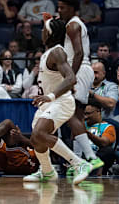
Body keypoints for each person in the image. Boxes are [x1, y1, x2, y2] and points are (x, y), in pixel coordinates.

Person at [22, 17, 92, 184]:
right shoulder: (50, 52)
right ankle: (47, 171)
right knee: (36, 139)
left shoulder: (57, 52)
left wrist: (50, 95)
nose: (41, 32)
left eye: (44, 30)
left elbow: (71, 78)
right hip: (48, 102)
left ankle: (79, 164)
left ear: (50, 33)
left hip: (60, 101)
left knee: (40, 133)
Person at [53, 0, 102, 172]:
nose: (59, 10)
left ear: (73, 9)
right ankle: (79, 162)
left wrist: (70, 78)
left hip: (79, 71)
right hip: (82, 71)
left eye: (62, 7)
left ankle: (87, 158)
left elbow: (79, 53)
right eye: (58, 7)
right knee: (76, 118)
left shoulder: (73, 25)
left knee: (69, 116)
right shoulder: (73, 24)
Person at [82, 102, 116, 175]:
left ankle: (98, 174)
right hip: (81, 155)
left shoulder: (108, 127)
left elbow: (104, 143)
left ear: (98, 112)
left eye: (88, 113)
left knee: (108, 151)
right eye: (84, 114)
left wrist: (87, 133)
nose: (85, 117)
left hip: (97, 156)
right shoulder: (80, 124)